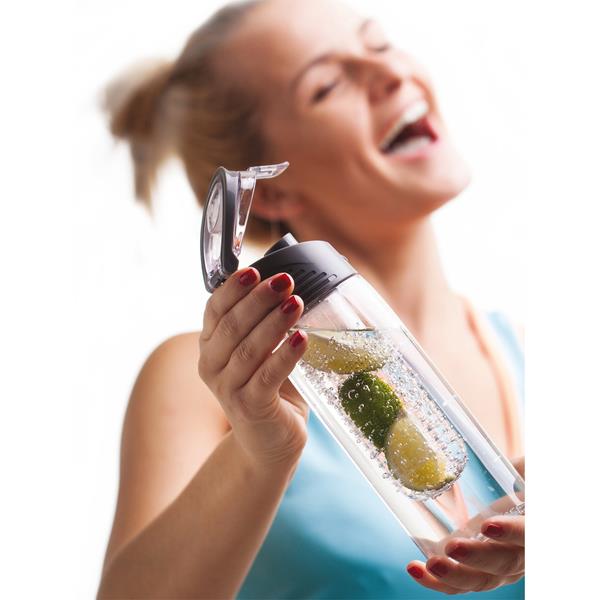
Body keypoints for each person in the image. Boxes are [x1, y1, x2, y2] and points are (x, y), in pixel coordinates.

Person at [97, 0, 525, 597]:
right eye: (326, 87)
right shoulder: (211, 380)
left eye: (378, 43)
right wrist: (260, 454)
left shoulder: (530, 352)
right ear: (271, 189)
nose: (390, 73)